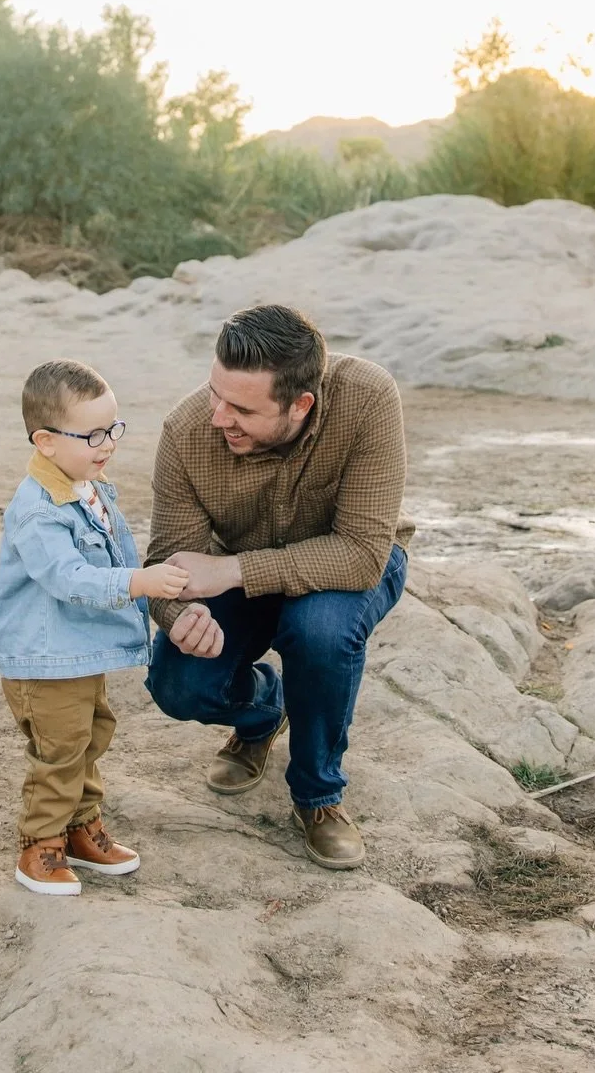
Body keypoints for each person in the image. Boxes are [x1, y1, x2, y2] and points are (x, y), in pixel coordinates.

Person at [143, 303, 411, 870]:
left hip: (345, 569)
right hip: (241, 576)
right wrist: (180, 617)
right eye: (215, 393)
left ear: (301, 404)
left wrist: (235, 571)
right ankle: (265, 713)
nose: (219, 416)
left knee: (317, 629)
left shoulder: (367, 398)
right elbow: (170, 563)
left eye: (241, 408)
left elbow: (362, 555)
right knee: (177, 684)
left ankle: (318, 795)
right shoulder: (188, 430)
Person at [0, 359, 190, 895]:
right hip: (45, 657)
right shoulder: (39, 510)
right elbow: (68, 578)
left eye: (113, 429)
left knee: (90, 734)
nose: (108, 444)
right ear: (46, 441)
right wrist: (139, 582)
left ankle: (82, 827)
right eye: (94, 434)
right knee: (58, 749)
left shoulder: (87, 484)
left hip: (78, 652)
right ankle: (41, 845)